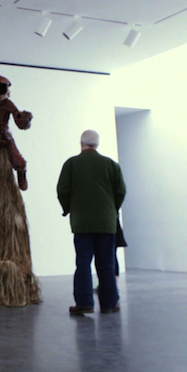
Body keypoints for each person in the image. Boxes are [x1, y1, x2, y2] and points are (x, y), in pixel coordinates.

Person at [57, 129, 126, 315]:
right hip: (107, 223)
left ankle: (84, 302)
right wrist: (111, 210)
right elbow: (121, 191)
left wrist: (69, 209)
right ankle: (109, 304)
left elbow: (63, 190)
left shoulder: (72, 164)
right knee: (107, 264)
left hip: (82, 223)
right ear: (97, 144)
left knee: (83, 262)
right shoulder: (111, 165)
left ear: (81, 144)